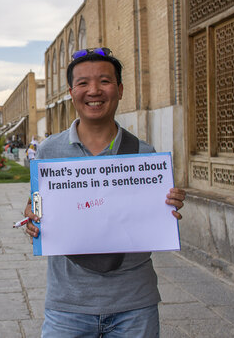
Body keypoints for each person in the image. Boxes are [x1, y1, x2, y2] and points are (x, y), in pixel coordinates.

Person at [24, 47, 186, 338]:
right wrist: (33, 219)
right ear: (71, 92)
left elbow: (153, 217)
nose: (94, 90)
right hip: (68, 306)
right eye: (83, 83)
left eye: (105, 81)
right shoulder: (49, 152)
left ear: (120, 90)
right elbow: (38, 206)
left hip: (134, 305)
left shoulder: (144, 155)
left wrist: (168, 206)